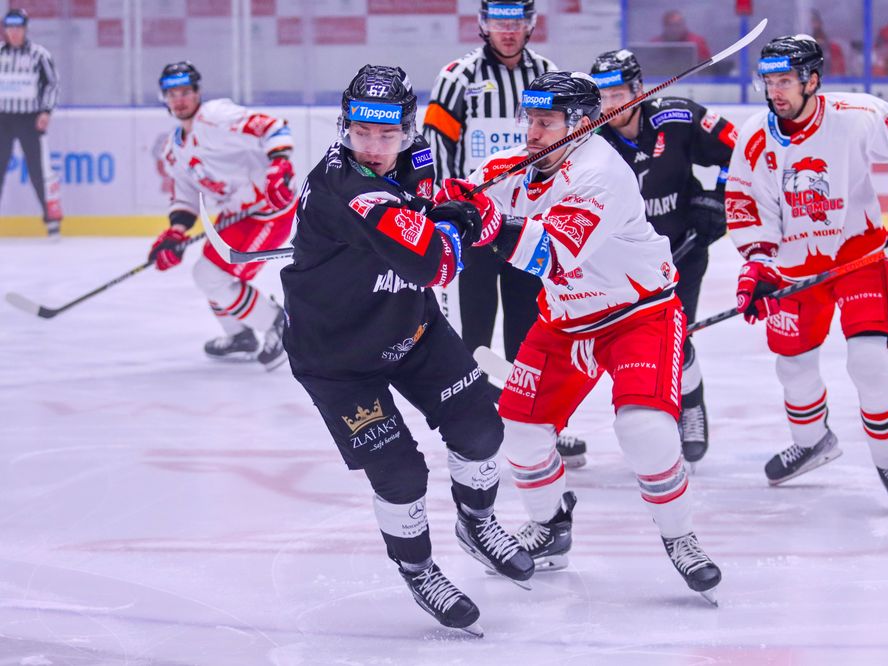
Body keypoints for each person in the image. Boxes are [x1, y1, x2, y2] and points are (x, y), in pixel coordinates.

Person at [436, 72, 722, 604]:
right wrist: (437, 216)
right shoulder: (515, 165)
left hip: (638, 314)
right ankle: (550, 527)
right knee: (520, 431)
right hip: (565, 320)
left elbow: (552, 253)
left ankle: (681, 536)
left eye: (546, 122)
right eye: (530, 119)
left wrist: (482, 225)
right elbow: (458, 195)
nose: (532, 132)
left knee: (643, 429)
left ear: (583, 125)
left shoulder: (600, 173)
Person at [280, 65, 533, 636]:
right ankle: (418, 568)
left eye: (386, 134)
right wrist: (463, 225)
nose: (373, 148)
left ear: (407, 130)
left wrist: (449, 204)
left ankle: (476, 521)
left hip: (411, 329)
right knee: (399, 473)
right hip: (338, 359)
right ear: (345, 127)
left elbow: (429, 197)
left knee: (480, 428)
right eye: (361, 133)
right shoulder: (346, 190)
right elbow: (436, 265)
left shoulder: (415, 157)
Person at [726, 35, 888, 515]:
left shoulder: (857, 114)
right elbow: (746, 203)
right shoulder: (755, 135)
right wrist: (759, 262)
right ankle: (812, 442)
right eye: (768, 81)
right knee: (793, 367)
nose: (775, 91)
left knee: (868, 361)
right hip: (794, 268)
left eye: (785, 81)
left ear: (812, 80)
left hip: (859, 257)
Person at [423, 0, 587, 467]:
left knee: (532, 333)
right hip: (474, 226)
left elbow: (567, 148)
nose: (508, 30)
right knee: (471, 334)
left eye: (516, 21)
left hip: (528, 226)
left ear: (530, 24)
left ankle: (538, 424)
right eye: (500, 21)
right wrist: (447, 212)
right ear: (484, 24)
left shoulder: (548, 75)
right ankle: (475, 427)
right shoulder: (458, 77)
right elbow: (436, 149)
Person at [590, 49, 736, 467]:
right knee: (630, 347)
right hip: (623, 263)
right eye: (602, 96)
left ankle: (691, 405)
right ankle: (651, 416)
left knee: (677, 338)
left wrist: (717, 197)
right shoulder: (589, 140)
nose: (609, 105)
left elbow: (739, 151)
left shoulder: (678, 116)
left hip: (682, 251)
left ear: (638, 90)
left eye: (618, 94)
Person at [149, 62, 293, 370]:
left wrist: (279, 163)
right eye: (172, 93)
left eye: (185, 91)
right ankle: (240, 335)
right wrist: (176, 232)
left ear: (197, 92)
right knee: (210, 271)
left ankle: (278, 324)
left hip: (268, 210)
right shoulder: (173, 150)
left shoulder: (215, 117)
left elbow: (273, 126)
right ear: (164, 98)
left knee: (212, 275)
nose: (179, 99)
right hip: (236, 215)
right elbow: (185, 195)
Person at [0, 8, 61, 237]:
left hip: (30, 120)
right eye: (10, 28)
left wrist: (46, 111)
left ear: (25, 29)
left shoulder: (39, 55)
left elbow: (52, 84)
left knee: (38, 170)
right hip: (2, 119)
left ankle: (51, 219)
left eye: (18, 28)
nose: (14, 32)